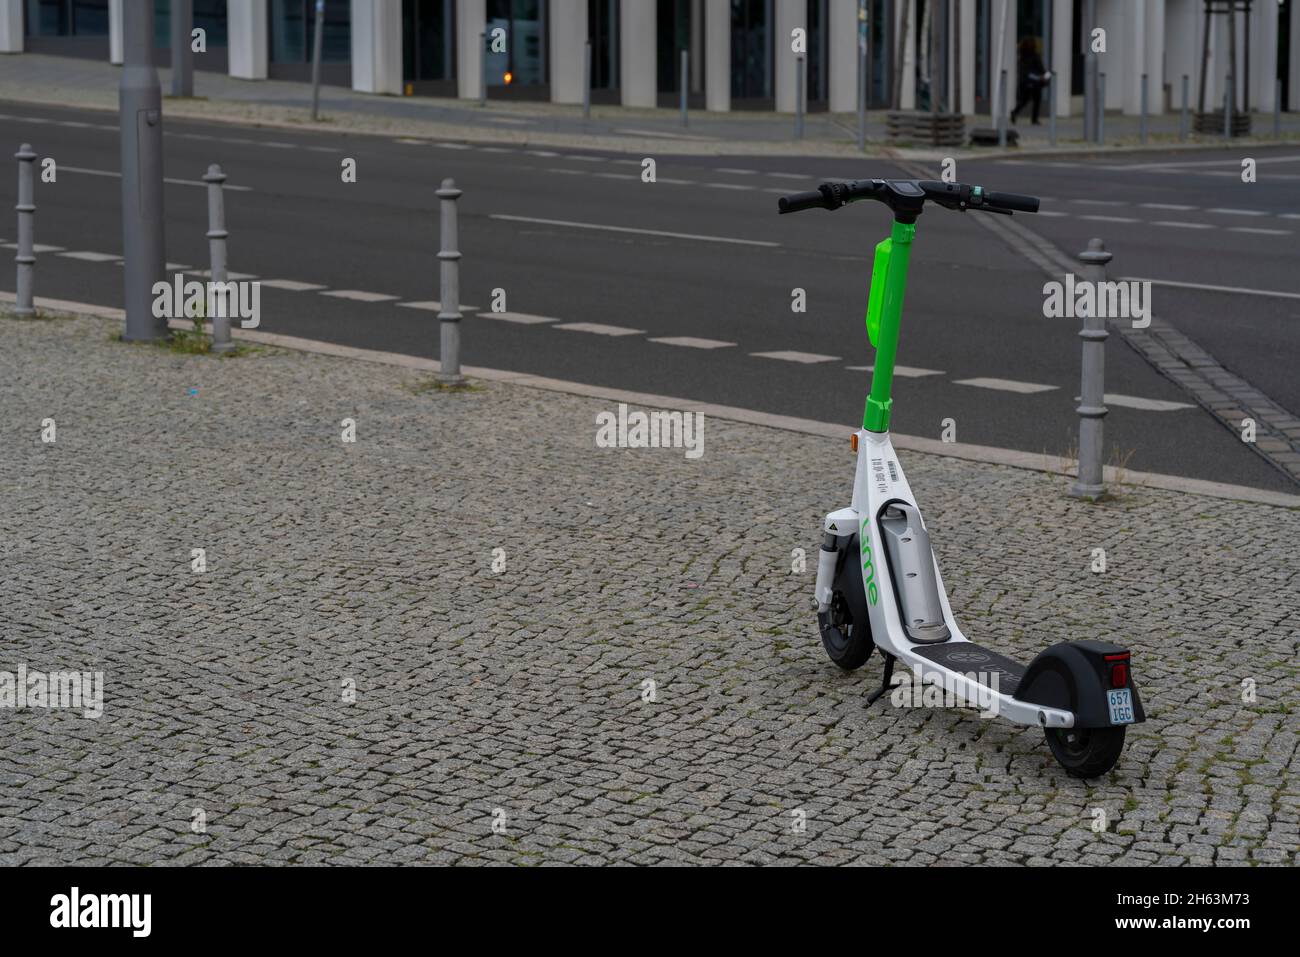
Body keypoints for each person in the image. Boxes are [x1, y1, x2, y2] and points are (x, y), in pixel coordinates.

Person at [1010, 36, 1050, 125]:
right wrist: (1044, 76)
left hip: (1025, 82)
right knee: (1037, 100)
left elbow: (1023, 71)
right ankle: (1034, 119)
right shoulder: (1035, 56)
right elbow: (1041, 68)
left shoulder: (1022, 57)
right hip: (1035, 82)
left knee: (1024, 100)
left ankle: (1015, 112)